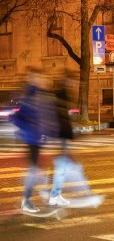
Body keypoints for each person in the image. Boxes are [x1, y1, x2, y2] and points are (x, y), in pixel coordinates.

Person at [12, 69, 44, 212]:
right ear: (33, 80)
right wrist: (29, 129)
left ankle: (28, 198)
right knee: (34, 171)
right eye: (39, 78)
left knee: (36, 171)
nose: (43, 80)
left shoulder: (37, 96)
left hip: (35, 140)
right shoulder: (29, 98)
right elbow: (15, 118)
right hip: (31, 140)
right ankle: (26, 200)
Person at [48, 78, 74, 206]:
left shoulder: (60, 96)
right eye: (71, 82)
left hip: (60, 137)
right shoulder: (61, 97)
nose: (73, 84)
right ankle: (54, 195)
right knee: (60, 168)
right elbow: (62, 120)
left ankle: (56, 194)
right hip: (60, 137)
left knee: (61, 168)